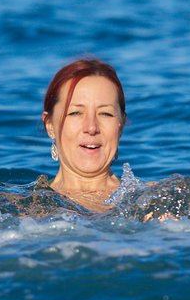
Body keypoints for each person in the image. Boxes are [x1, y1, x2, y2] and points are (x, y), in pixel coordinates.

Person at [41, 57, 127, 212]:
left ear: (120, 126)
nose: (92, 127)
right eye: (75, 113)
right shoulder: (24, 208)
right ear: (50, 125)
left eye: (105, 114)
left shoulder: (156, 200)